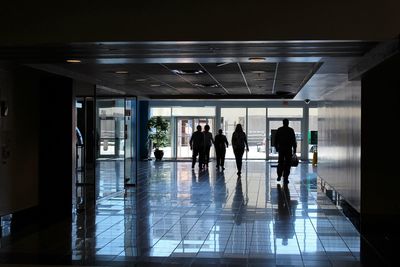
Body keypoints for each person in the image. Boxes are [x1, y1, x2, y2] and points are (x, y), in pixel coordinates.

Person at [274, 118, 297, 183]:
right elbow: (293, 141)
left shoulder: (279, 130)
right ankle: (286, 177)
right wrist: (294, 150)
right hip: (288, 149)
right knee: (288, 164)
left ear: (283, 123)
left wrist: (276, 148)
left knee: (280, 163)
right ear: (288, 123)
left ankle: (279, 175)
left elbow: (276, 140)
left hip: (281, 149)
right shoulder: (291, 130)